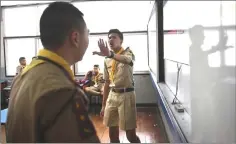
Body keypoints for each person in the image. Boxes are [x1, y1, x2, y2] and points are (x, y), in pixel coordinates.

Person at [6, 2, 100, 143]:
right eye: (88, 33)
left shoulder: (21, 77)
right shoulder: (64, 92)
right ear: (75, 38)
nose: (88, 39)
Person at [93, 29, 140, 143]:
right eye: (109, 37)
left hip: (126, 95)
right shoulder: (107, 59)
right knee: (112, 134)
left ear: (121, 40)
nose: (110, 39)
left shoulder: (128, 53)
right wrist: (103, 105)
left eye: (114, 37)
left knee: (130, 135)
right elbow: (107, 82)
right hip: (112, 96)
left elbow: (127, 60)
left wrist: (110, 54)